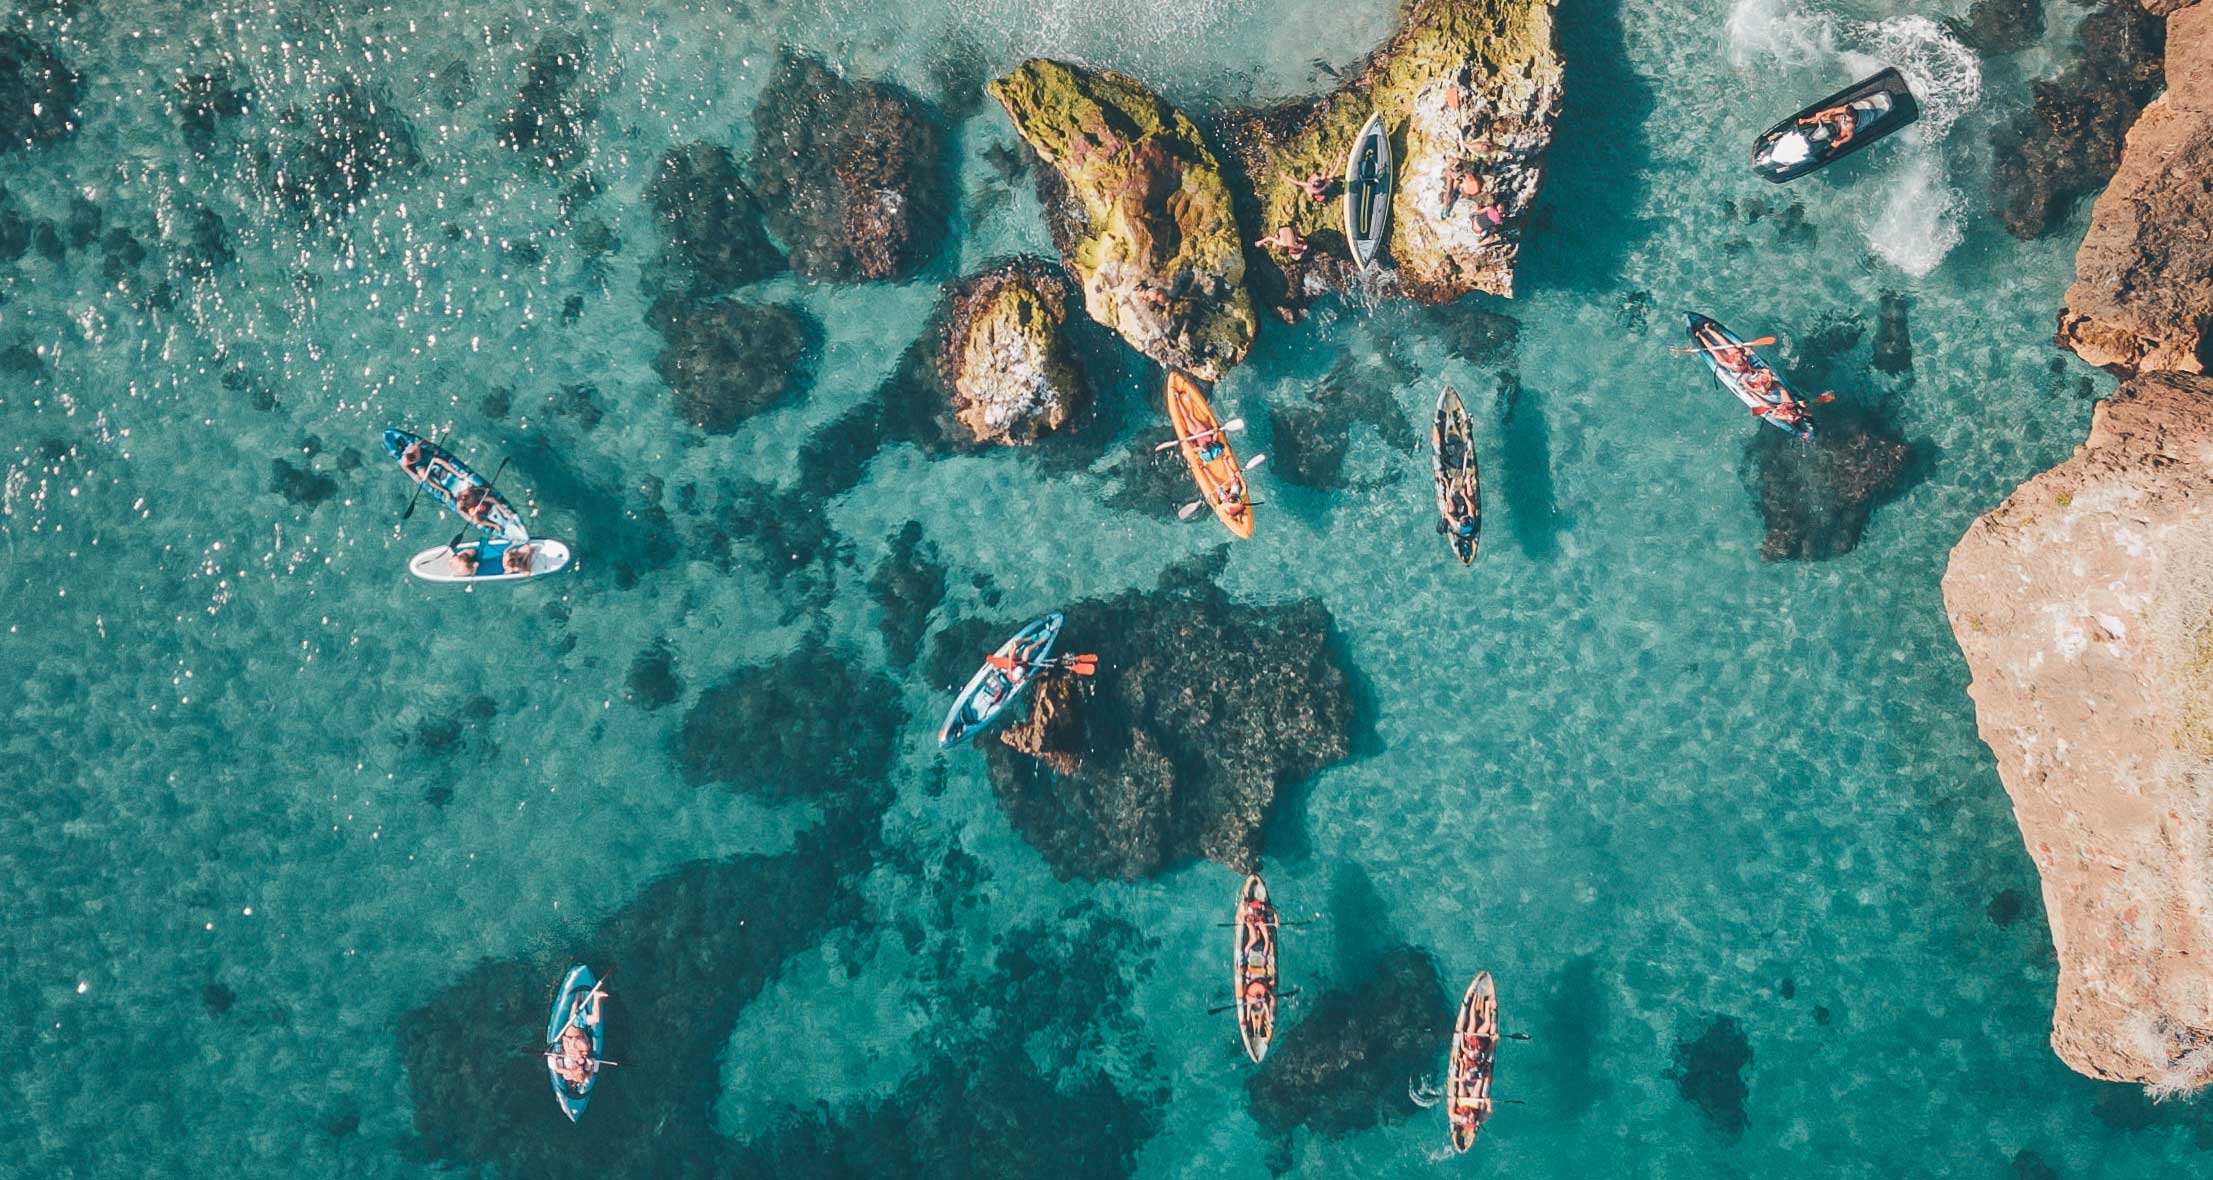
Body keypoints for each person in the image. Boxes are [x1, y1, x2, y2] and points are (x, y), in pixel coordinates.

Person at [550, 985, 603, 1091]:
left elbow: (556, 1068)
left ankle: (577, 994)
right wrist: (592, 1063)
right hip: (582, 1027)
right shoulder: (586, 1070)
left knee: (574, 1008)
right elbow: (591, 1070)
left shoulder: (569, 1072)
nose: (579, 1068)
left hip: (572, 1028)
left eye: (578, 1070)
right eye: (581, 1070)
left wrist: (555, 1057)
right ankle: (597, 997)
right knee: (596, 1019)